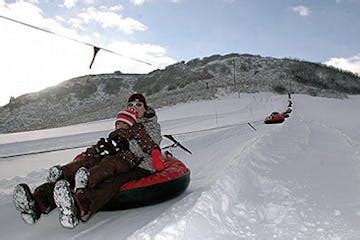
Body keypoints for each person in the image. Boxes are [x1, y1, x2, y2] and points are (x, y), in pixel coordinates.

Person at [13, 93, 164, 228]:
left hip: (140, 165)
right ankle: (38, 202)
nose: (134, 107)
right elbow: (111, 141)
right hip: (116, 157)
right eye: (130, 105)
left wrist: (119, 145)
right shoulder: (126, 122)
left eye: (139, 104)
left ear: (145, 107)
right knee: (86, 166)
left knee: (113, 180)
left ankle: (80, 206)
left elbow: (148, 147)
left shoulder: (150, 125)